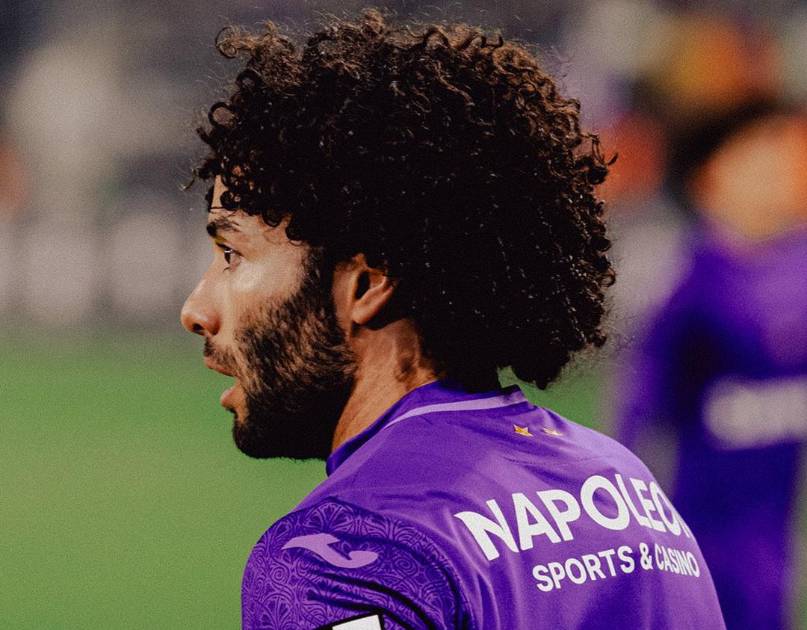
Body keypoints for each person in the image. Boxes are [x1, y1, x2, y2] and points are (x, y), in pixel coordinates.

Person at [181, 11, 725, 629]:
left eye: (232, 254)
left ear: (366, 286)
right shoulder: (628, 491)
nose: (196, 309)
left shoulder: (342, 557)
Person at [617, 100, 807, 629]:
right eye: (758, 158)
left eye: (785, 156)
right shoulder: (684, 281)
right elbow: (638, 421)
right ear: (709, 178)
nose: (778, 172)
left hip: (775, 555)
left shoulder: (801, 269)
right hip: (696, 550)